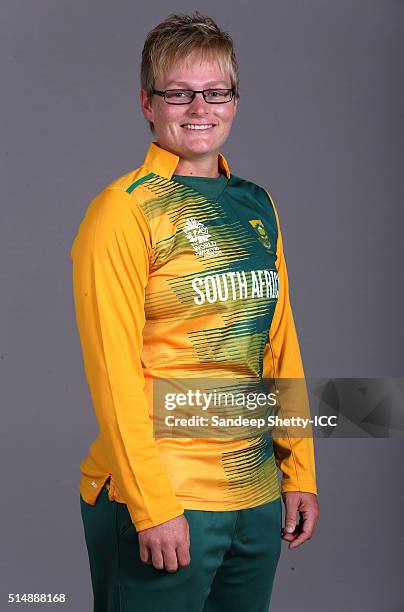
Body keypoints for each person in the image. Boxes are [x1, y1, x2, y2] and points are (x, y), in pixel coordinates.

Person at [71, 11, 320, 612]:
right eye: (178, 93)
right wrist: (151, 504)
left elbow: (278, 345)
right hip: (163, 496)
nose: (199, 108)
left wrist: (299, 471)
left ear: (235, 100)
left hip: (254, 496)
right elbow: (114, 370)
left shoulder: (257, 203)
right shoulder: (123, 211)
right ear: (147, 103)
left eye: (215, 92)